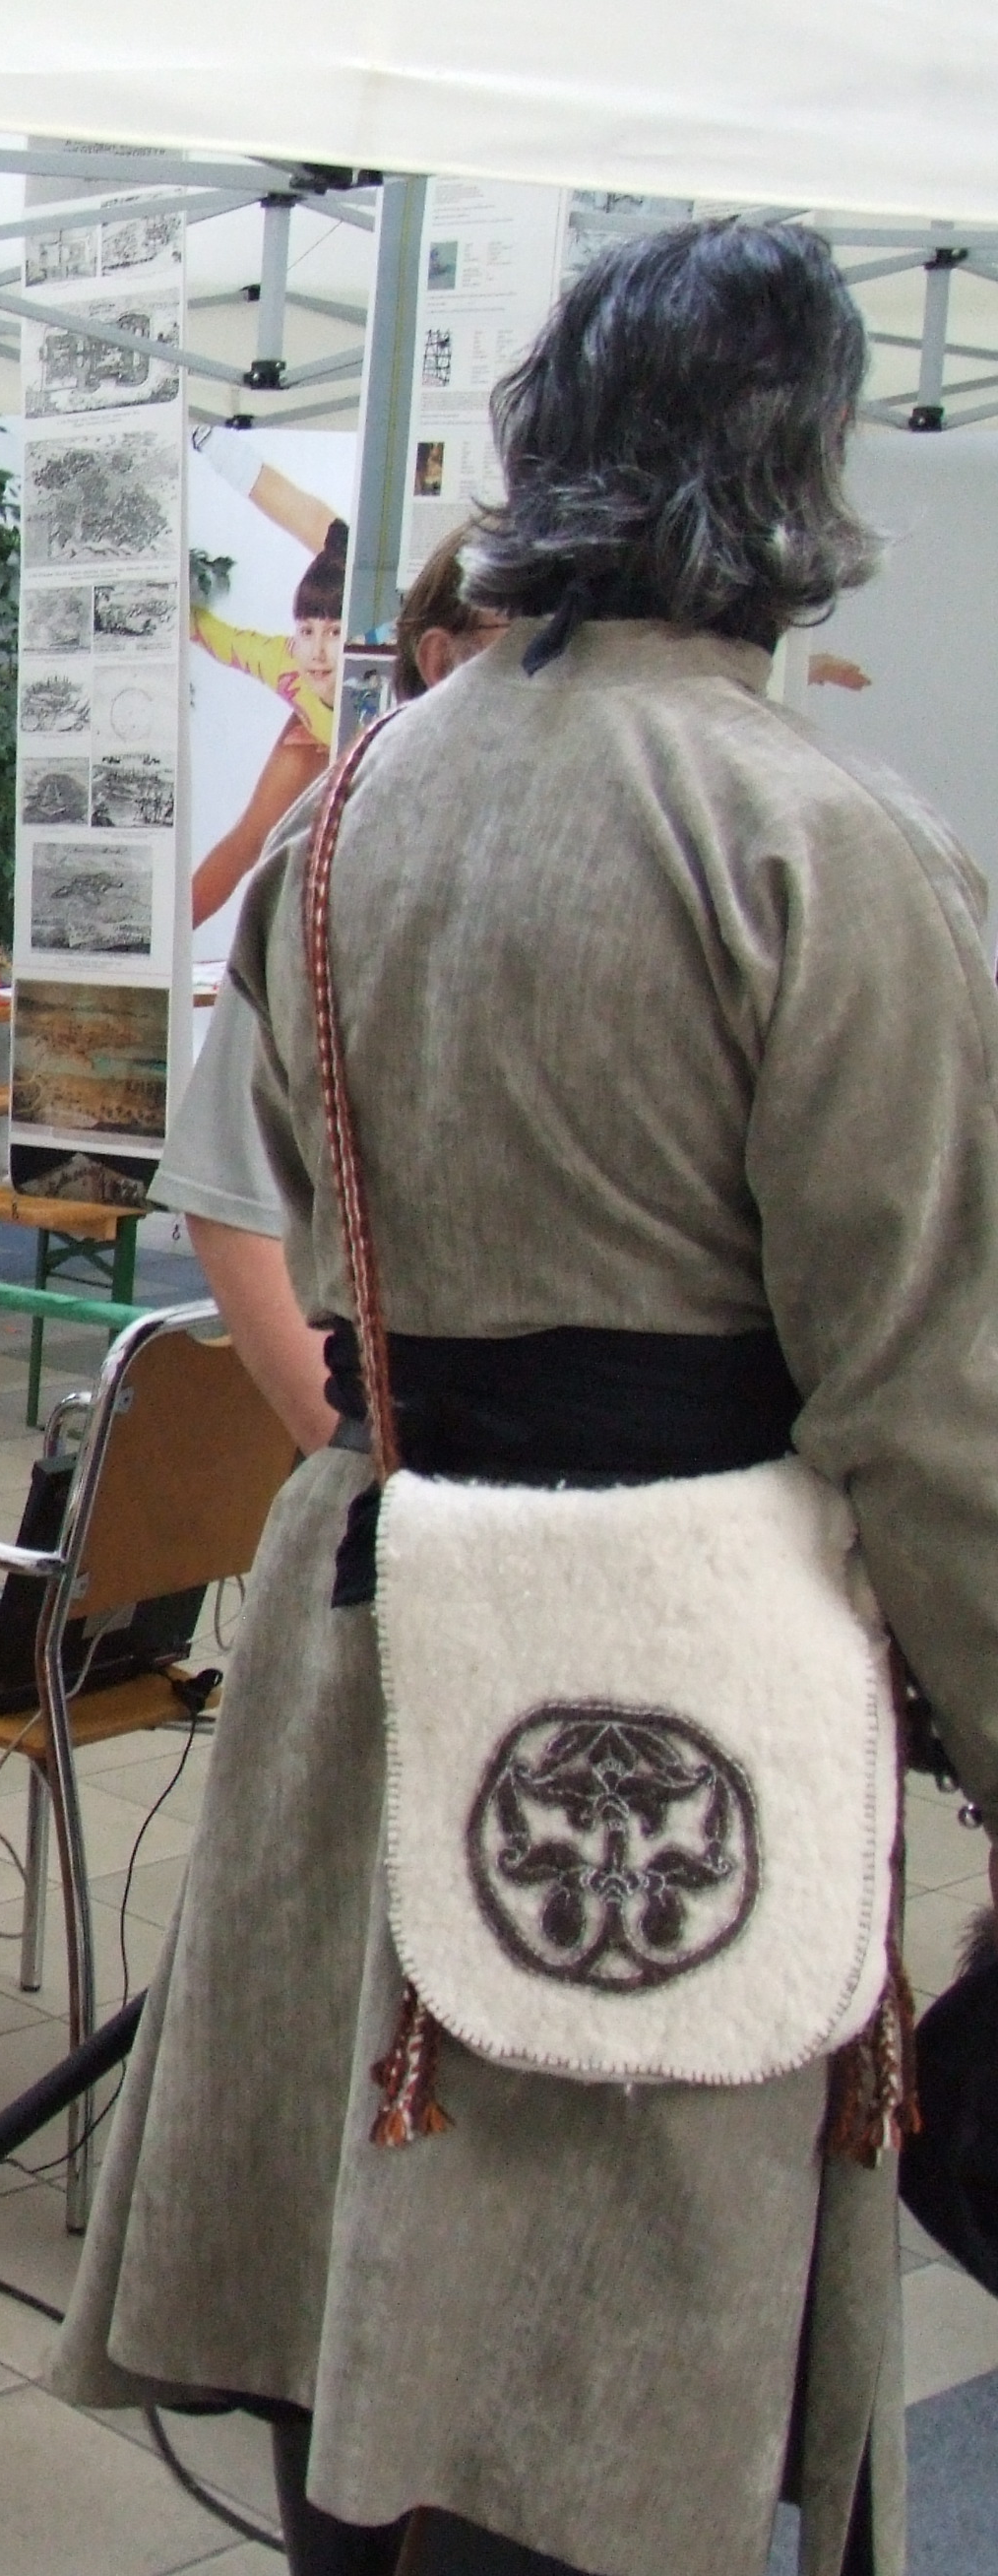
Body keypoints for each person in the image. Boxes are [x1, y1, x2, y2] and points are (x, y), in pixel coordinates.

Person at [49, 220, 998, 2576]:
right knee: (601, 2324)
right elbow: (925, 1386)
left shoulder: (352, 812)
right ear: (794, 465)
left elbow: (299, 1193)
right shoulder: (820, 840)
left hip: (371, 1611)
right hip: (671, 1667)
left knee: (357, 2272)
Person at [157, 528, 505, 1457]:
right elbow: (229, 1197)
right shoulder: (331, 855)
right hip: (411, 1451)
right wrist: (358, 1450)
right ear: (443, 662)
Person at [186, 436, 347, 927]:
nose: (317, 649)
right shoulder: (286, 662)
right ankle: (160, 940)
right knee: (250, 837)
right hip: (318, 722)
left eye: (334, 633)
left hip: (378, 730)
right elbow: (211, 634)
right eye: (307, 632)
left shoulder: (394, 638)